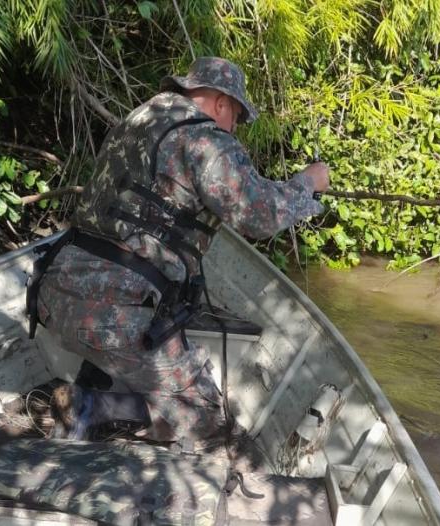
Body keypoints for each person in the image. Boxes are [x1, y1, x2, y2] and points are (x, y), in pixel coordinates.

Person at [31, 56, 329, 443]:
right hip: (114, 313)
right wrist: (307, 183)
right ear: (222, 103)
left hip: (54, 295)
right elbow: (259, 215)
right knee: (208, 420)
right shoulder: (205, 139)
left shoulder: (137, 120)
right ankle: (89, 404)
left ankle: (102, 389)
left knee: (143, 341)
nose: (233, 128)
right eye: (236, 117)